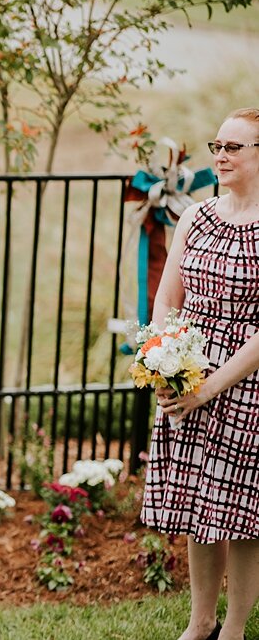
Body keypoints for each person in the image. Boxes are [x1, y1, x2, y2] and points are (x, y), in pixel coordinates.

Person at [141, 107, 259, 640]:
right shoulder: (196, 216)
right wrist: (164, 358)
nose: (220, 155)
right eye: (217, 145)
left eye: (234, 147)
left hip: (245, 385)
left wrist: (212, 384)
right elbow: (169, 296)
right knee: (198, 506)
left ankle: (233, 628)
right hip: (188, 376)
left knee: (241, 515)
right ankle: (200, 622)